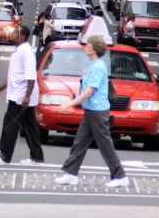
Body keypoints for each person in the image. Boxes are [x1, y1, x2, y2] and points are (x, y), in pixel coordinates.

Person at [54, 34, 129, 188]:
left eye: (88, 46)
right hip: (91, 111)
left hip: (97, 111)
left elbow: (88, 92)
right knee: (80, 142)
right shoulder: (94, 65)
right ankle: (71, 174)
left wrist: (69, 104)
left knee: (105, 144)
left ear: (94, 49)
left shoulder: (98, 67)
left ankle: (120, 175)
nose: (86, 48)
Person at [0, 25, 44, 165]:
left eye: (16, 33)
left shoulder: (26, 51)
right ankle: (37, 157)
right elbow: (13, 76)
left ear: (23, 36)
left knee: (10, 124)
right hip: (19, 94)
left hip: (21, 96)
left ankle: (5, 155)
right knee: (30, 126)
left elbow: (31, 76)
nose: (12, 35)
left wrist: (27, 96)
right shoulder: (19, 50)